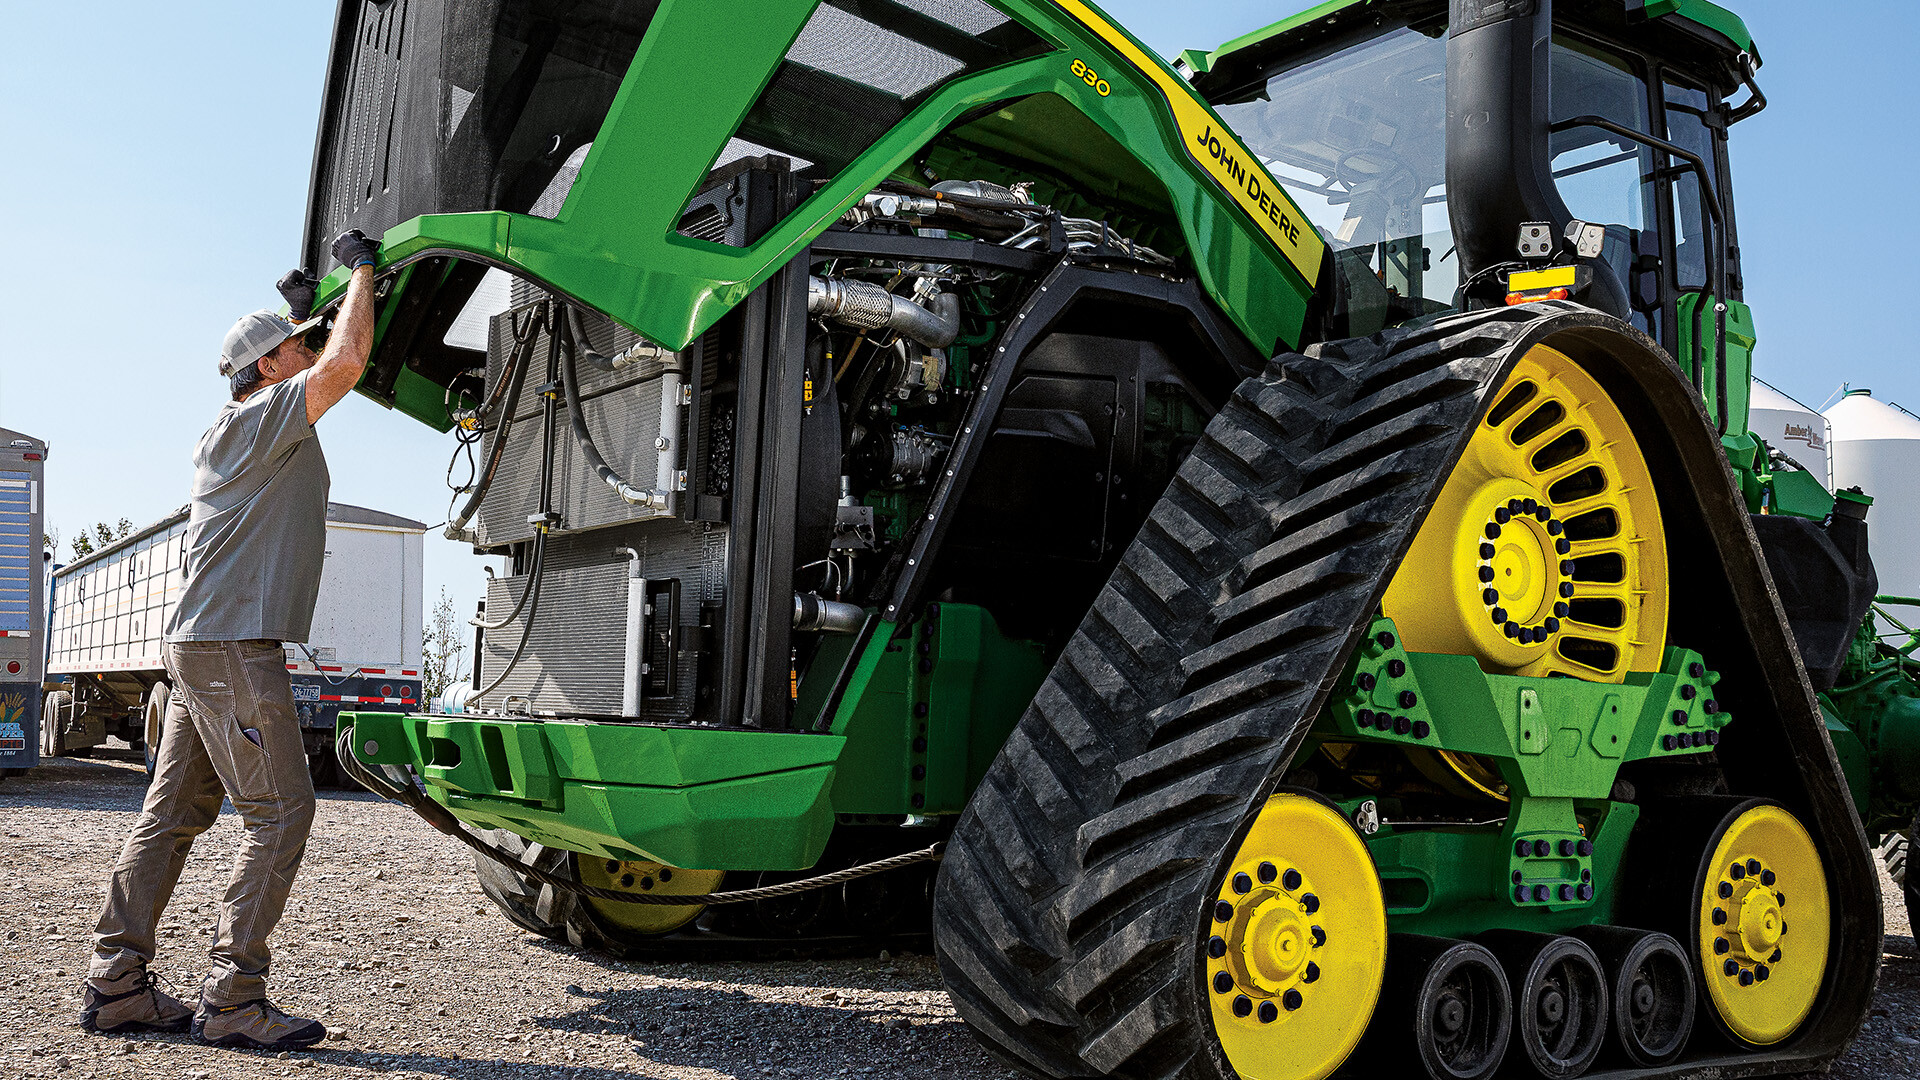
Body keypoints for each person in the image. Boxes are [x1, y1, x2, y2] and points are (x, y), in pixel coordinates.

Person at [80, 230, 381, 1050]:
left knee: (171, 812)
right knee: (283, 812)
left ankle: (117, 986)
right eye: (294, 347)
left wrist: (299, 315)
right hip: (231, 647)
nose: (308, 350)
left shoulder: (241, 421)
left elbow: (319, 351)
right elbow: (347, 362)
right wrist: (364, 271)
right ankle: (235, 999)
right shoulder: (264, 415)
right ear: (271, 367)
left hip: (200, 645)